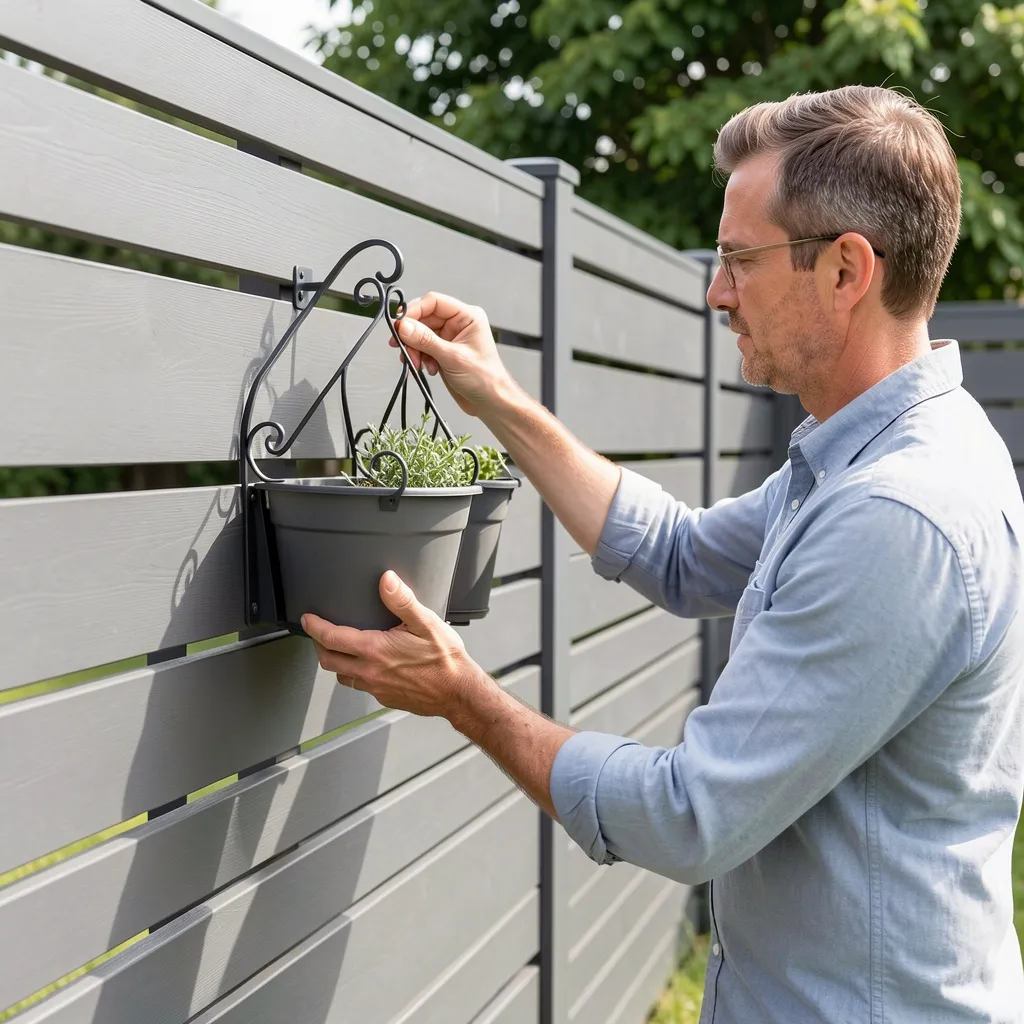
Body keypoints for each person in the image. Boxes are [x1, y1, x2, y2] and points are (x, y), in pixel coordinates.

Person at [301, 85, 1024, 1022]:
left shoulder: (897, 514)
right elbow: (681, 555)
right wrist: (498, 400)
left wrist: (463, 699)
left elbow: (691, 819)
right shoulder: (863, 452)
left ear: (847, 271)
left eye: (738, 260)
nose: (717, 292)